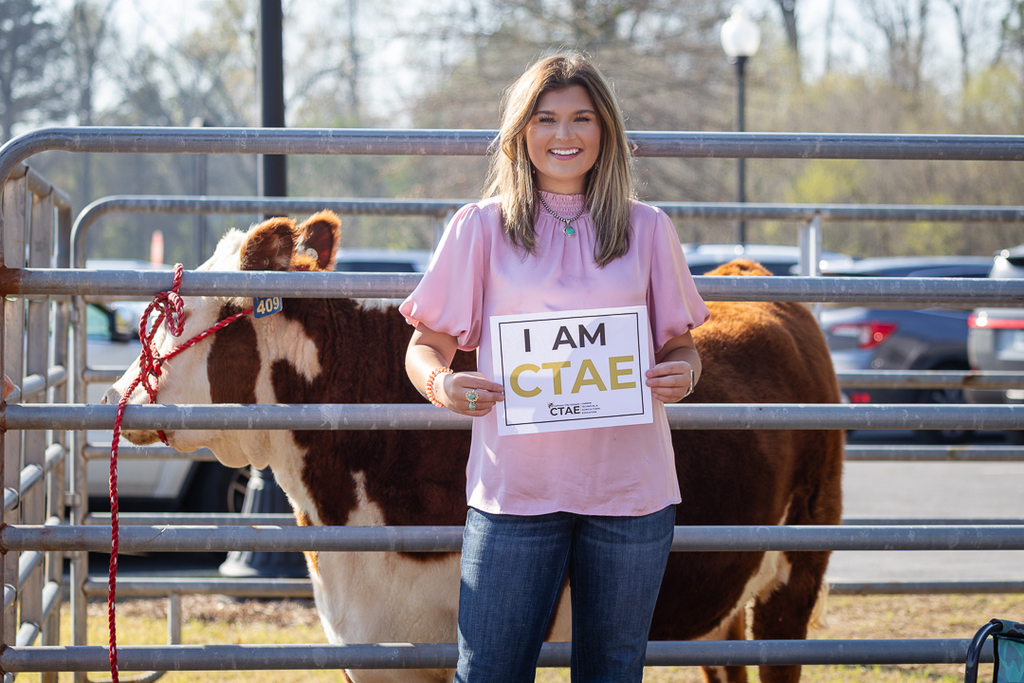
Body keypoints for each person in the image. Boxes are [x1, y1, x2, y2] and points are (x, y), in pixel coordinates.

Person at [400, 52, 710, 682]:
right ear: (521, 132)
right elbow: (422, 348)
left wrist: (686, 373)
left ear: (606, 131)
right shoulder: (479, 228)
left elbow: (682, 348)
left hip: (631, 493)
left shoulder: (649, 229)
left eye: (581, 119)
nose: (564, 135)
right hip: (514, 493)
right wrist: (444, 384)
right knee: (488, 670)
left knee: (613, 672)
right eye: (545, 119)